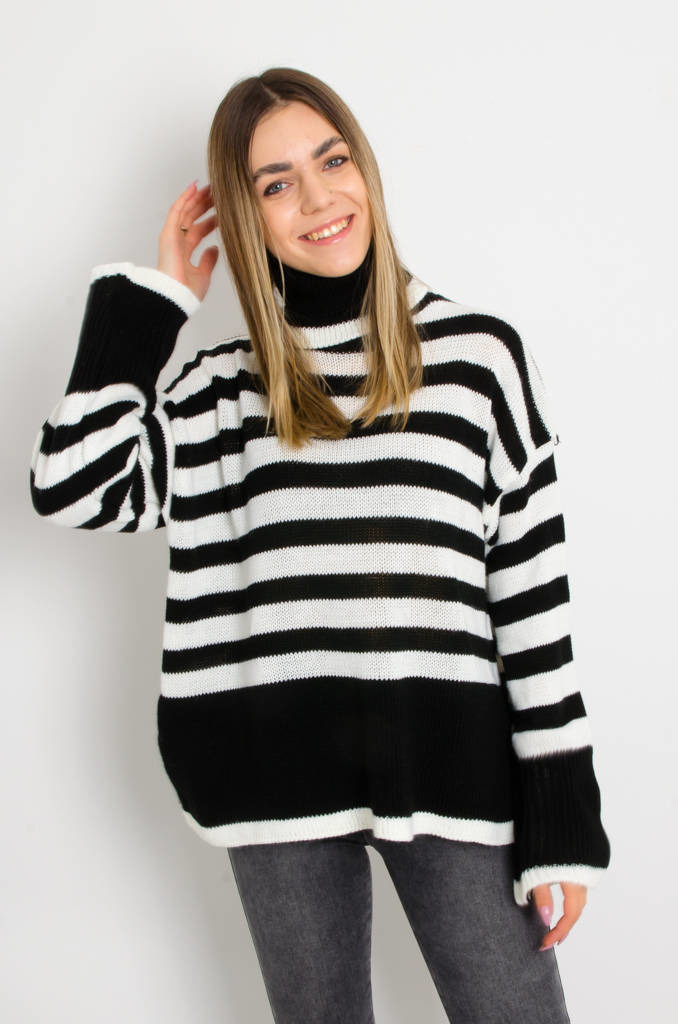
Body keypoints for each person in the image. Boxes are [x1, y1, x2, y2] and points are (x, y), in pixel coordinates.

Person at [29, 67, 611, 1023]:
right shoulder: (221, 392)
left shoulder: (479, 362)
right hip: (271, 777)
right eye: (276, 183)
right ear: (245, 217)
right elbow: (73, 484)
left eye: (332, 161)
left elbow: (533, 607)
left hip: (452, 768)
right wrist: (157, 299)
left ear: (366, 171)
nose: (317, 198)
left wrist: (562, 818)